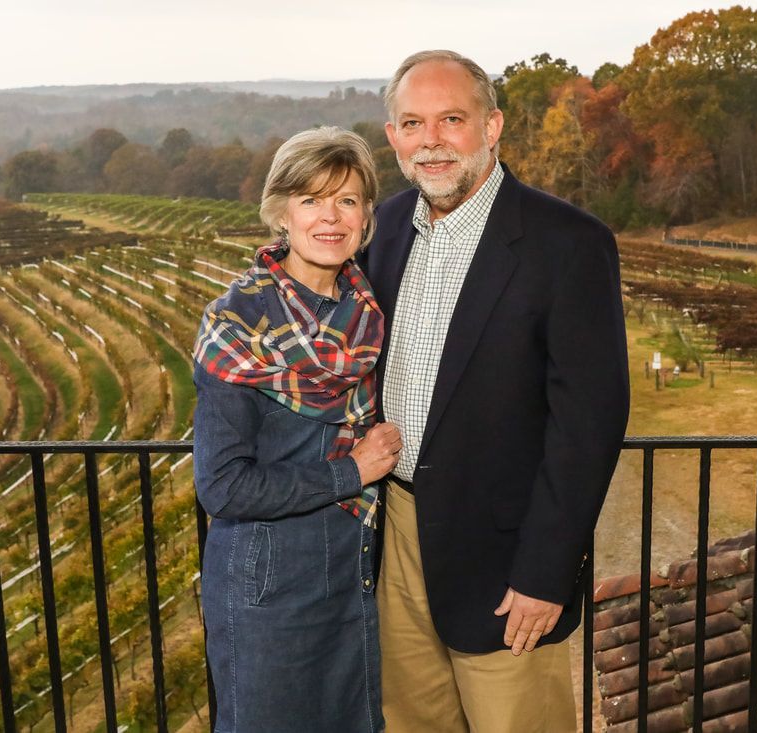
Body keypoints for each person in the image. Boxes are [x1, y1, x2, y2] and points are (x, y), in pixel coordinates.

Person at [360, 50, 630, 732]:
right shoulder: (385, 228)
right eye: (413, 122)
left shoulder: (567, 243)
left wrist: (546, 571)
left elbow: (588, 425)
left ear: (492, 125)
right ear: (392, 136)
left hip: (506, 558)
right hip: (397, 535)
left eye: (452, 119)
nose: (432, 140)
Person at [192, 126, 401, 733]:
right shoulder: (238, 321)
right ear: (281, 212)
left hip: (352, 569)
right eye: (311, 199)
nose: (329, 217)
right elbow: (224, 487)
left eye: (347, 200)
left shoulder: (367, 310)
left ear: (365, 216)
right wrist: (352, 471)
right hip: (266, 588)